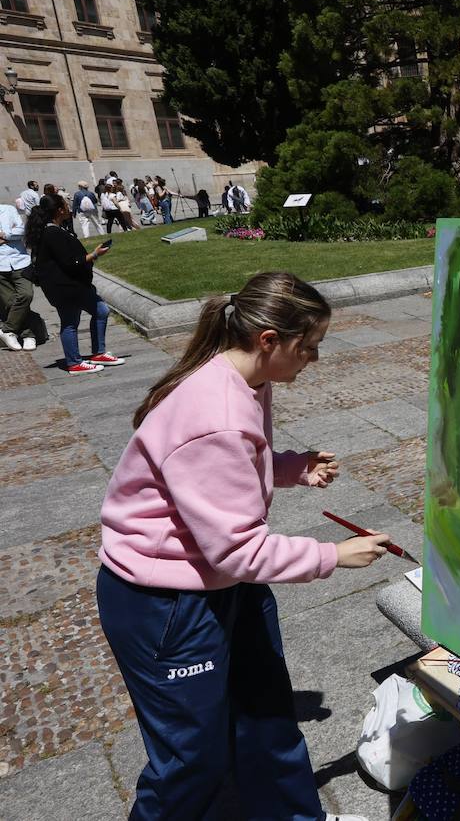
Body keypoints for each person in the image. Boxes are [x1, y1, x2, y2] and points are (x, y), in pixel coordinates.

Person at [96, 272, 382, 821]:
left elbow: (228, 474)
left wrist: (292, 468)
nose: (314, 359)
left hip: (218, 583)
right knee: (190, 761)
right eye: (309, 347)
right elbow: (238, 551)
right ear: (269, 340)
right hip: (167, 603)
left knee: (267, 716)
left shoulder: (249, 381)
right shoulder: (217, 414)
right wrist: (333, 555)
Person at [26, 194, 123, 374]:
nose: (70, 207)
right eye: (66, 204)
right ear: (59, 210)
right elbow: (70, 261)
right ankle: (75, 362)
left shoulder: (53, 229)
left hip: (67, 286)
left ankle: (96, 353)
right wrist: (95, 254)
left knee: (97, 312)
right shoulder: (52, 232)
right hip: (66, 287)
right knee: (73, 321)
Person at [0, 201, 37, 351]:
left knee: (26, 295)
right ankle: (28, 335)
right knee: (9, 303)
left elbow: (22, 230)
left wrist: (5, 235)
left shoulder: (8, 209)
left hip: (19, 261)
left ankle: (7, 330)